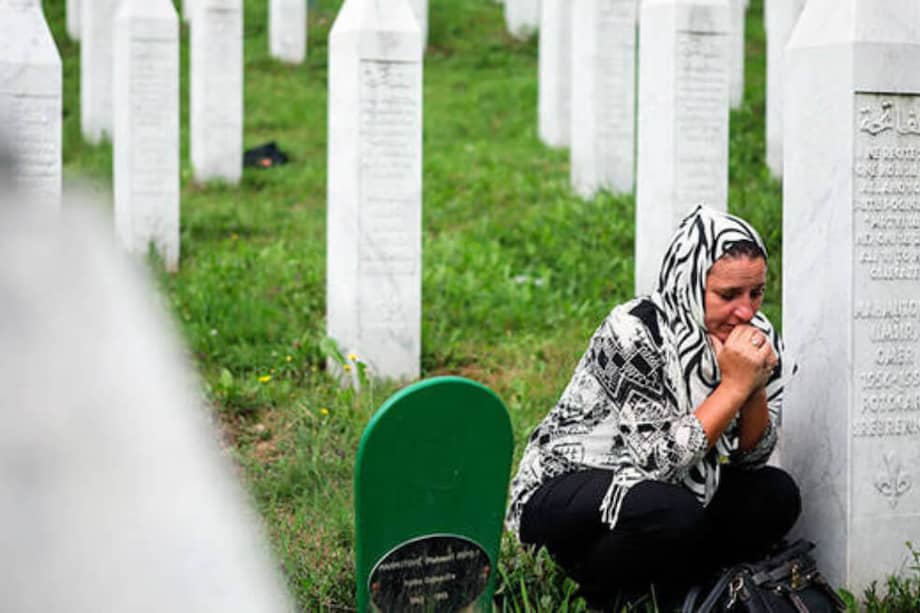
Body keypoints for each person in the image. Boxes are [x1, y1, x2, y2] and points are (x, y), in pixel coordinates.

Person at [505, 206, 801, 607]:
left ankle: (682, 581)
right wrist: (733, 387)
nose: (746, 311)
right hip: (569, 491)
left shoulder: (756, 335)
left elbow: (753, 460)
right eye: (728, 295)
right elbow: (657, 461)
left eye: (756, 292)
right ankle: (598, 589)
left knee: (776, 495)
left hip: (672, 493)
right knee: (669, 512)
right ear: (690, 282)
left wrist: (755, 389)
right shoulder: (633, 330)